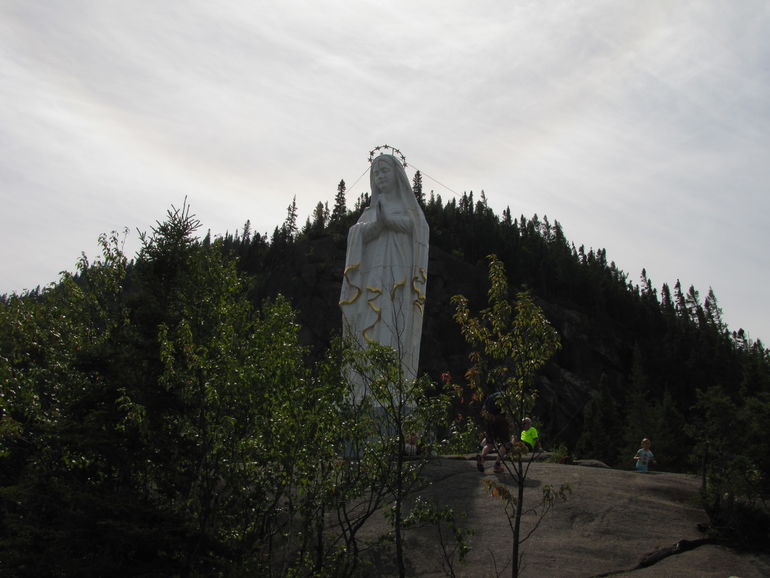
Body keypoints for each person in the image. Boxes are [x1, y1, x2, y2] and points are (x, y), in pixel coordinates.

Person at [339, 153, 429, 395]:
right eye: (376, 173)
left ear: (397, 175)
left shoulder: (408, 210)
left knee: (393, 322)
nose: (380, 177)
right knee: (367, 323)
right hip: (371, 281)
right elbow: (356, 234)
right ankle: (364, 384)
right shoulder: (370, 212)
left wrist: (390, 221)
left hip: (397, 282)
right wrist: (377, 225)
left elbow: (419, 230)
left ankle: (391, 383)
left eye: (385, 171)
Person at [477, 392, 510, 473]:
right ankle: (497, 465)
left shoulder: (490, 396)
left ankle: (481, 457)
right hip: (501, 419)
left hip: (490, 419)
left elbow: (484, 409)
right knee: (505, 444)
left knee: (489, 444)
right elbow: (508, 409)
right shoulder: (506, 396)